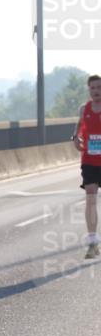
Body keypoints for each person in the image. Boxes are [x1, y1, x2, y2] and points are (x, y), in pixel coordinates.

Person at [72, 74, 101, 259]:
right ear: (89, 90)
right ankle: (92, 243)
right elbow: (77, 130)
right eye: (93, 88)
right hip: (90, 161)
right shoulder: (84, 109)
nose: (96, 91)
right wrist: (75, 138)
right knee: (90, 198)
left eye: (99, 88)